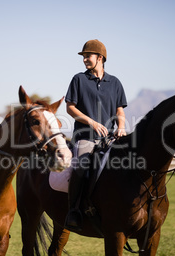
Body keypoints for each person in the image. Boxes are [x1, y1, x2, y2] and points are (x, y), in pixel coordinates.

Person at [64, 39, 127, 231]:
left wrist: (121, 127)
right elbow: (70, 108)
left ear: (100, 58)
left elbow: (120, 111)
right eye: (83, 57)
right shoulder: (79, 79)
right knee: (82, 166)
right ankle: (74, 210)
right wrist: (91, 121)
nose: (84, 60)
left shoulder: (115, 82)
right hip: (85, 137)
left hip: (110, 139)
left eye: (87, 56)